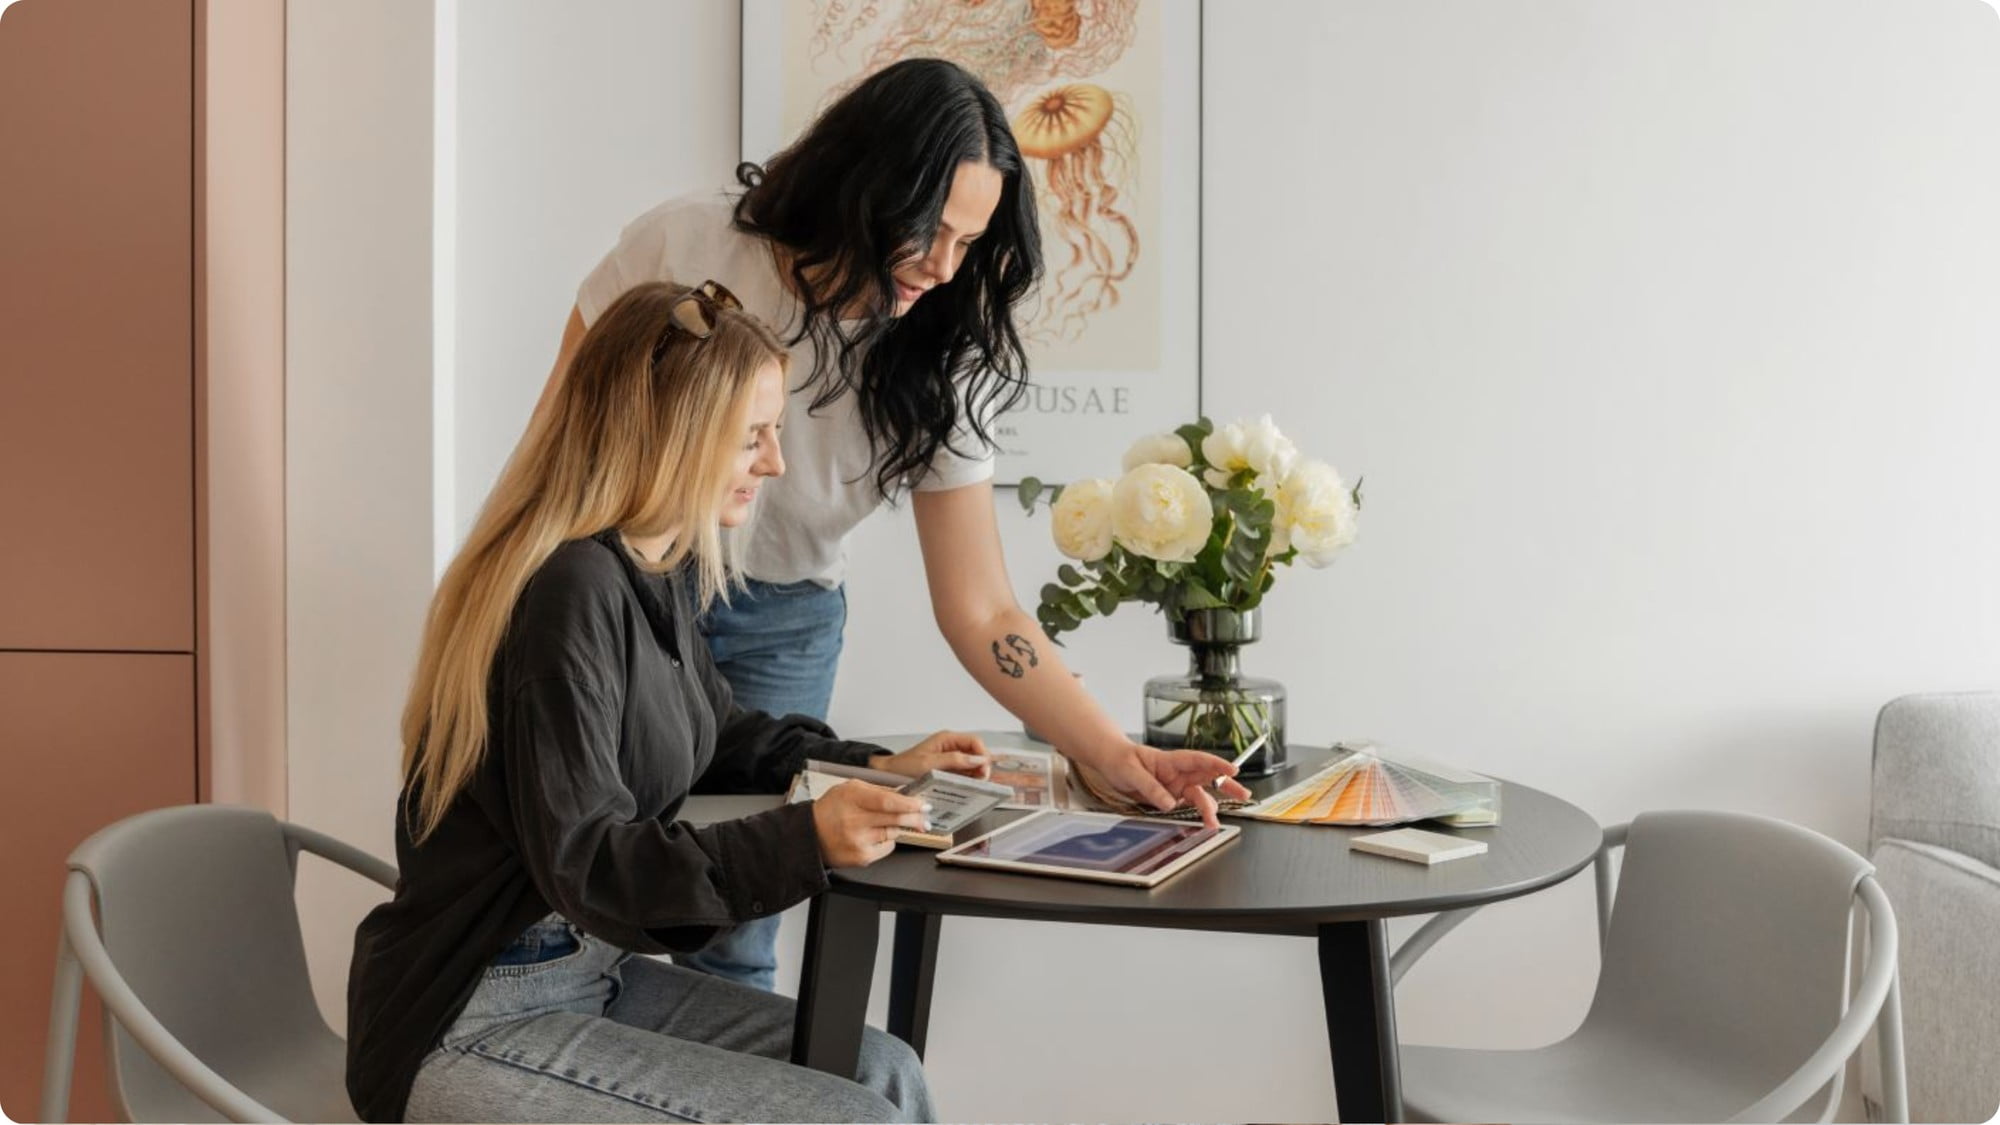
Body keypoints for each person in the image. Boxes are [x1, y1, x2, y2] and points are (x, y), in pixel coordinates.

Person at [536, 56, 1252, 993]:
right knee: (572, 887)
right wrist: (521, 607)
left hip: (781, 619)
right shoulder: (687, 244)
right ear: (865, 184)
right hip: (623, 595)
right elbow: (555, 456)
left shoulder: (944, 351)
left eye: (970, 243)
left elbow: (983, 608)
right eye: (930, 232)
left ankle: (715, 1066)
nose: (944, 268)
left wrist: (1111, 752)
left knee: (738, 919)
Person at [346, 280, 991, 1124]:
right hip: (472, 1014)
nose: (775, 462)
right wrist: (804, 839)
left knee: (886, 1074)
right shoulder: (568, 590)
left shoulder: (648, 567)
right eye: (752, 436)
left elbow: (713, 729)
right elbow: (589, 858)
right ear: (670, 435)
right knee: (851, 1116)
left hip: (588, 972)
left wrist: (870, 764)